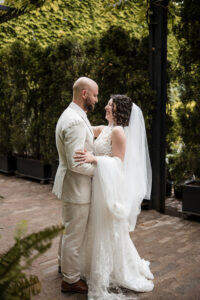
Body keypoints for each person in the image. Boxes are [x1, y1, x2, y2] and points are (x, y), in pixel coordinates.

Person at [74, 95, 154, 299]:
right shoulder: (105, 128)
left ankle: (112, 271)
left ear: (119, 110)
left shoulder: (118, 132)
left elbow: (118, 163)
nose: (106, 106)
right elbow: (85, 129)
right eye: (108, 104)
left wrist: (95, 158)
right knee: (97, 226)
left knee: (107, 229)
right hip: (99, 186)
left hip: (109, 189)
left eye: (110, 105)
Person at [52, 77, 98, 294]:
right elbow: (75, 164)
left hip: (71, 187)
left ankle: (64, 266)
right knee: (74, 233)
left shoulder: (72, 114)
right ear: (84, 94)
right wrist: (101, 172)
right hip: (77, 188)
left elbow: (86, 133)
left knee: (69, 229)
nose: (97, 100)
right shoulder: (75, 121)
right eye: (95, 95)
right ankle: (70, 280)